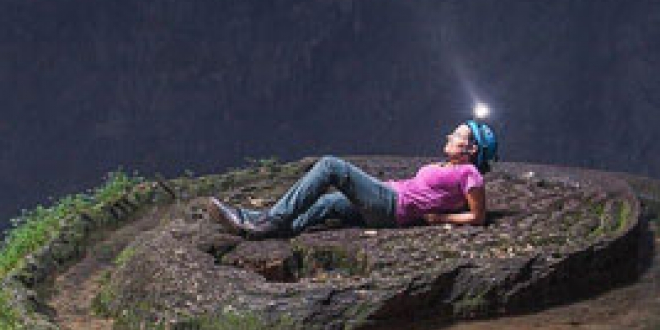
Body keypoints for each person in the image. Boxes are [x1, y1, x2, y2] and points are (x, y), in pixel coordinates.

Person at [211, 120, 498, 238]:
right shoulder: (450, 165)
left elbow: (478, 216)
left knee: (331, 166)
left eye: (458, 135)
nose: (450, 136)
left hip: (394, 206)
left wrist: (439, 220)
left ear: (473, 149)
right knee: (329, 204)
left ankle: (266, 222)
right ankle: (256, 222)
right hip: (390, 198)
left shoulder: (469, 173)